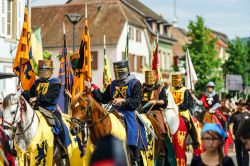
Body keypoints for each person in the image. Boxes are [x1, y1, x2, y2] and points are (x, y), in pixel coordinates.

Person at [91, 60, 147, 164]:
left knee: (131, 127)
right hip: (113, 110)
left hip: (128, 110)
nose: (119, 74)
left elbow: (136, 101)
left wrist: (123, 100)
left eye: (120, 72)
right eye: (117, 72)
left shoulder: (135, 83)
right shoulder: (113, 84)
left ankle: (134, 150)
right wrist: (93, 88)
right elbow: (104, 98)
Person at [22, 60, 69, 158]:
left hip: (50, 109)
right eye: (42, 69)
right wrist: (23, 92)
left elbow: (51, 97)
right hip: (36, 108)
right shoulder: (37, 82)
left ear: (51, 70)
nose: (44, 71)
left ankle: (63, 146)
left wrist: (37, 98)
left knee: (59, 124)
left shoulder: (55, 82)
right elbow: (31, 94)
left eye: (46, 69)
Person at [141, 70, 176, 165]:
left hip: (155, 111)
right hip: (143, 112)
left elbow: (164, 102)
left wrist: (155, 102)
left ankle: (163, 148)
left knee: (161, 130)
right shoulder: (142, 87)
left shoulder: (160, 88)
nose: (148, 81)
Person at [170, 73, 199, 148]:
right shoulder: (171, 90)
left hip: (182, 112)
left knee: (189, 123)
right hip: (172, 112)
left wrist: (177, 107)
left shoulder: (185, 91)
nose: (175, 84)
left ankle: (195, 140)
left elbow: (187, 104)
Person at [229, 98, 250, 166]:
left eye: (244, 105)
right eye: (241, 104)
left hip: (246, 137)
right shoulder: (234, 115)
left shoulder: (248, 114)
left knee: (245, 152)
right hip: (237, 137)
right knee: (238, 153)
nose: (242, 106)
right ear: (239, 105)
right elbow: (231, 125)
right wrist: (232, 134)